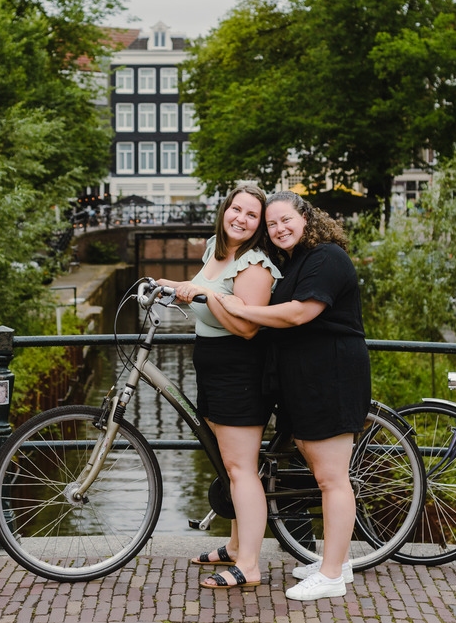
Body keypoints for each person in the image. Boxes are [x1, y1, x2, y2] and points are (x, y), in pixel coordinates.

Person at [217, 191, 371, 601]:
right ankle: (330, 562)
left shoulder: (327, 258)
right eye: (272, 224)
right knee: (323, 475)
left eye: (286, 220)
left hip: (331, 376)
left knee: (332, 478)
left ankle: (334, 574)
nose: (279, 228)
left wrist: (240, 308)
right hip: (305, 379)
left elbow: (300, 313)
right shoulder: (296, 261)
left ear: (305, 217)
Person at [156, 184, 280, 591]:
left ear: (259, 226)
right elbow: (201, 299)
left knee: (243, 469)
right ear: (224, 210)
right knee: (229, 464)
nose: (241, 219)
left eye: (251, 215)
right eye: (236, 209)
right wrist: (171, 286)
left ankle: (249, 565)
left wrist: (208, 295)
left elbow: (246, 328)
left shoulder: (255, 265)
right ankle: (233, 544)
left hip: (239, 370)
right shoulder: (215, 247)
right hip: (209, 365)